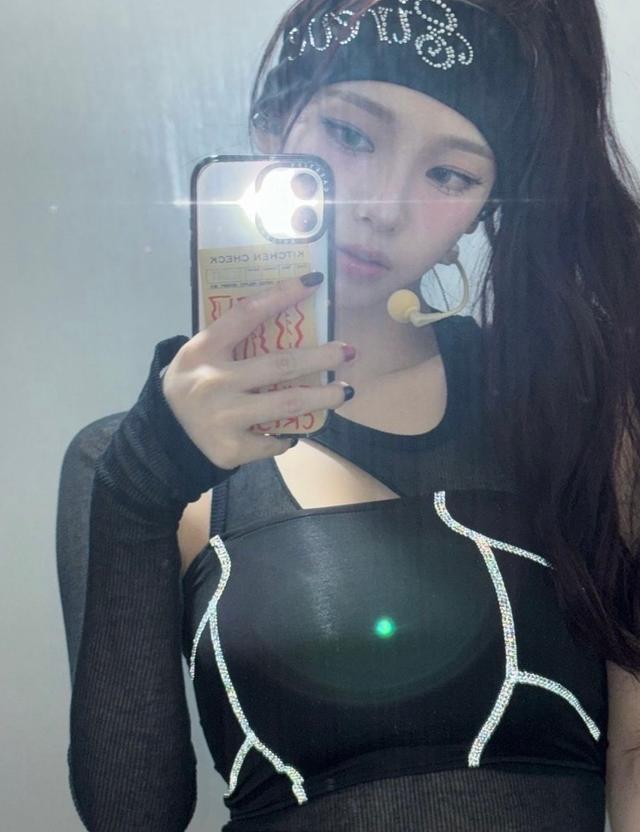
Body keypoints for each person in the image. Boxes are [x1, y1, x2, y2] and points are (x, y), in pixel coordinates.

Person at [57, 1, 640, 830]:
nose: (383, 206)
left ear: (486, 206)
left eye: (450, 175)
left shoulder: (575, 410)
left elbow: (635, 752)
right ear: (270, 129)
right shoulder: (125, 464)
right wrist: (139, 492)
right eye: (350, 135)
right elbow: (130, 817)